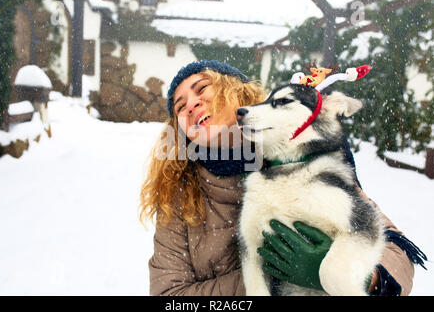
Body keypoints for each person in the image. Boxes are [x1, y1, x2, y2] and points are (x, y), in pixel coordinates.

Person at [140, 60, 424, 296]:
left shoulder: (308, 161)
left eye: (202, 89)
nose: (191, 105)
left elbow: (397, 252)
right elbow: (169, 296)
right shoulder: (181, 197)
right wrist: (268, 277)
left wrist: (351, 275)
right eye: (180, 107)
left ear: (239, 95)